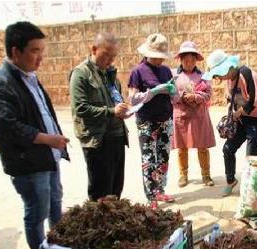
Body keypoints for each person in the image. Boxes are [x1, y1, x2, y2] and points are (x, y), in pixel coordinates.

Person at [0, 21, 70, 249]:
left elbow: (42, 111)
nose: (40, 58)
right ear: (16, 52)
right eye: (35, 51)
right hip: (29, 163)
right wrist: (48, 139)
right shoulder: (3, 82)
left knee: (55, 203)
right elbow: (9, 126)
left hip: (48, 157)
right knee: (37, 212)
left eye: (41, 51)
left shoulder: (29, 77)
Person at [69, 33, 129, 201]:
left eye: (113, 56)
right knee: (100, 194)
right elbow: (81, 108)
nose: (110, 60)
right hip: (98, 140)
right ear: (94, 50)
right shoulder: (81, 74)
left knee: (116, 189)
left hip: (117, 137)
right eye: (106, 55)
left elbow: (117, 100)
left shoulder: (110, 74)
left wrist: (124, 110)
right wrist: (111, 111)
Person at [202, 49, 257, 196]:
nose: (219, 78)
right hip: (241, 119)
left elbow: (255, 100)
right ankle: (230, 180)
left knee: (251, 155)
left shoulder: (246, 73)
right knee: (228, 149)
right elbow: (229, 98)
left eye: (219, 74)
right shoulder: (229, 80)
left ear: (228, 67)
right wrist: (230, 109)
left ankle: (250, 186)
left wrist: (238, 112)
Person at [128, 33, 177, 209]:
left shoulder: (165, 71)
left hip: (165, 119)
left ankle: (160, 190)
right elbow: (133, 100)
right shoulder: (138, 72)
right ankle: (151, 197)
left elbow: (175, 98)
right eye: (156, 57)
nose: (159, 61)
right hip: (146, 121)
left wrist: (172, 91)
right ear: (147, 53)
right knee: (149, 158)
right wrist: (154, 91)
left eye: (161, 58)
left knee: (163, 157)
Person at [171, 41, 216, 188]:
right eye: (186, 60)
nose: (189, 63)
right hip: (181, 116)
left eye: (192, 60)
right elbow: (170, 93)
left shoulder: (203, 76)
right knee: (182, 148)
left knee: (202, 147)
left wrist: (196, 97)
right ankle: (183, 175)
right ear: (181, 60)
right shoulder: (174, 76)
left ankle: (206, 174)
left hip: (199, 116)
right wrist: (183, 96)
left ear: (196, 60)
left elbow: (209, 94)